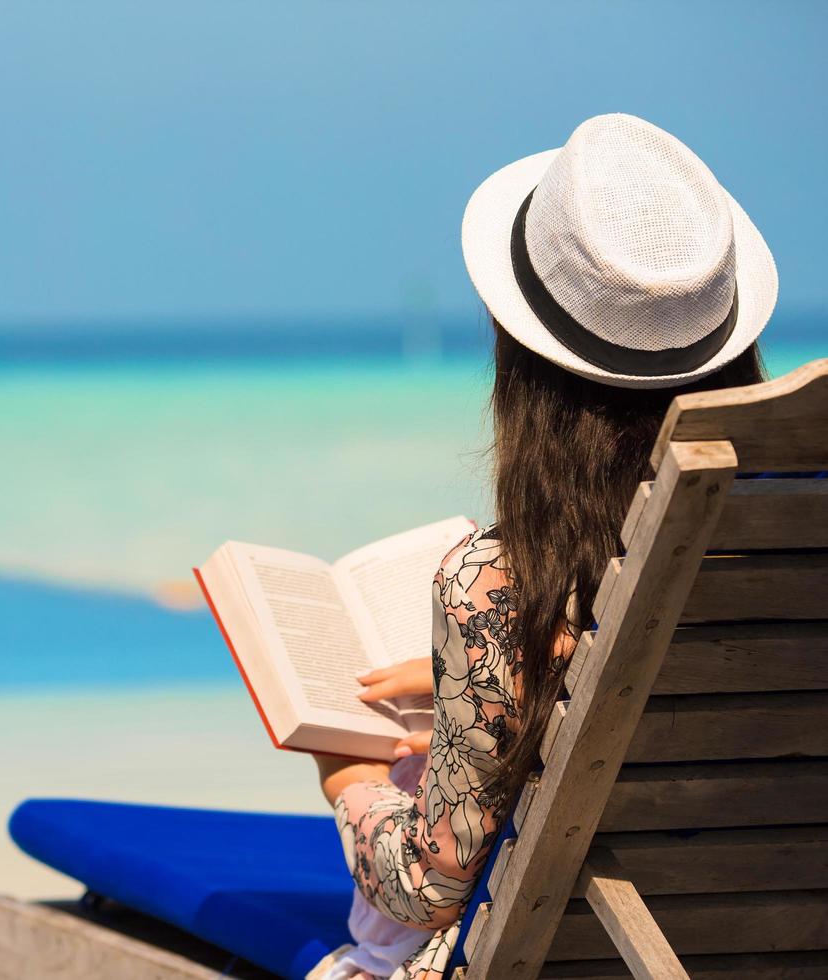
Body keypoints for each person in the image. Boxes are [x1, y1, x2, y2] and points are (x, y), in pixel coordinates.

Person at [307, 112, 775, 980]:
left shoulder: (497, 587)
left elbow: (426, 886)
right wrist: (528, 670)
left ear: (523, 361)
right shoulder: (782, 542)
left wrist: (348, 781)